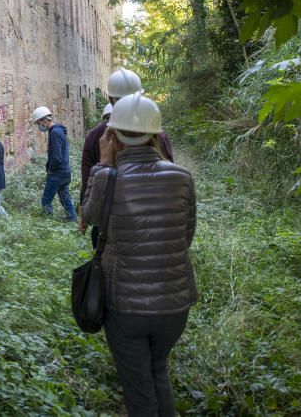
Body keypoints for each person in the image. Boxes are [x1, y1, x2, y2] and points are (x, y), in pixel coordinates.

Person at [81, 93, 197, 417]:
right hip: (175, 305)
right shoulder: (182, 177)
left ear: (112, 135)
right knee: (158, 369)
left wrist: (103, 164)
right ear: (155, 135)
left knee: (138, 390)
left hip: (126, 305)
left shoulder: (107, 177)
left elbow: (88, 216)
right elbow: (185, 236)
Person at [81, 68, 174, 243]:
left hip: (111, 227)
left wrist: (83, 213)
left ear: (109, 99)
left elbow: (87, 180)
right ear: (141, 97)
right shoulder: (157, 134)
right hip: (155, 225)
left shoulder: (97, 136)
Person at [32, 106, 77, 222]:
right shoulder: (58, 131)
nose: (39, 126)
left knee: (46, 200)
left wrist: (51, 170)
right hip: (65, 172)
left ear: (45, 120)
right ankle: (73, 220)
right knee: (65, 198)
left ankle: (48, 224)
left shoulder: (55, 133)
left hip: (57, 174)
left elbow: (57, 157)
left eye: (39, 123)